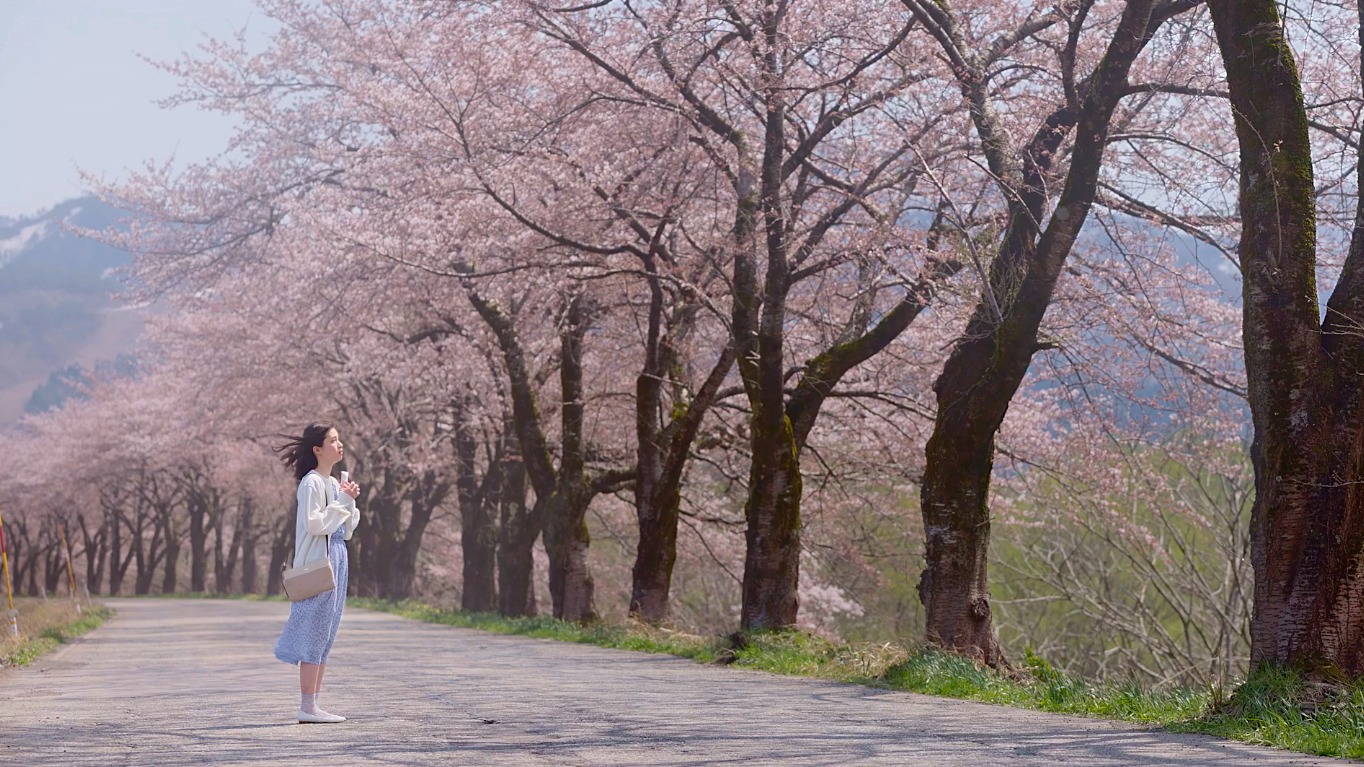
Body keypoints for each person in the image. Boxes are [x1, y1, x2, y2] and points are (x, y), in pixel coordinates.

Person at [272, 423, 361, 724]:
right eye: (333, 440)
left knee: (326, 633)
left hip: (338, 558)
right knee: (314, 632)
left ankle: (313, 705)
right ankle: (307, 706)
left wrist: (349, 500)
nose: (340, 444)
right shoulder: (311, 483)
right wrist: (342, 503)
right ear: (317, 449)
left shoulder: (334, 483)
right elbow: (314, 524)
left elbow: (345, 531)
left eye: (339, 440)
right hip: (320, 562)